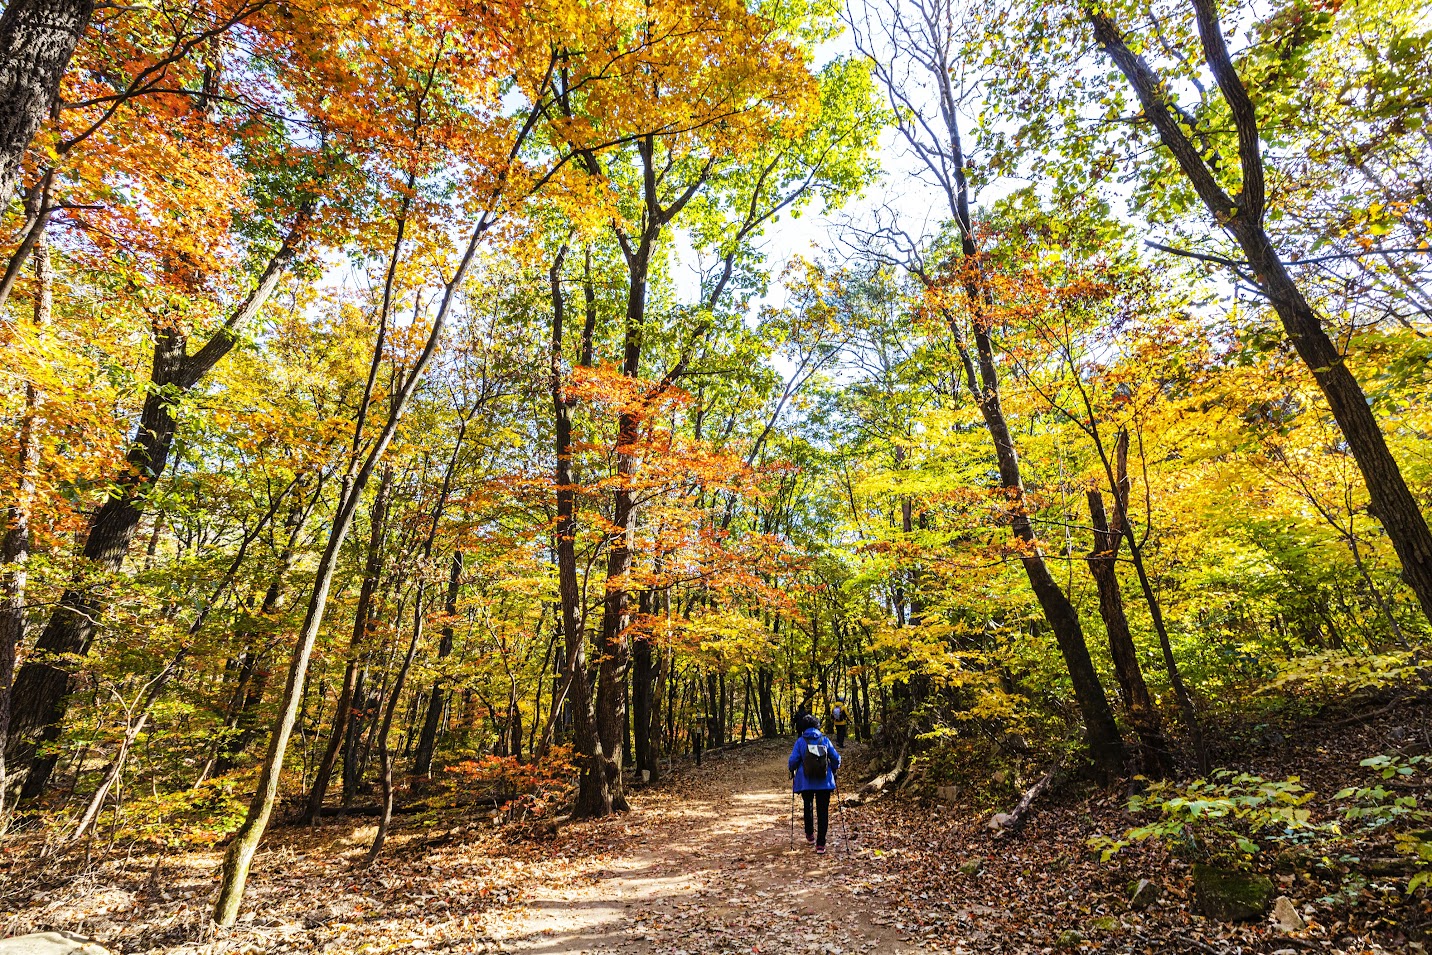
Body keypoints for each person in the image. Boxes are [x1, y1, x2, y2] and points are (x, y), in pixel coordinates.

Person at [788, 713, 840, 853]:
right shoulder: (824, 740)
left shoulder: (800, 741)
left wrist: (791, 769)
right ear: (817, 726)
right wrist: (834, 769)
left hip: (806, 781)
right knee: (823, 811)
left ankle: (810, 834)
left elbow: (793, 761)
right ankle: (821, 844)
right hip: (824, 781)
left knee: (808, 806)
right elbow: (835, 758)